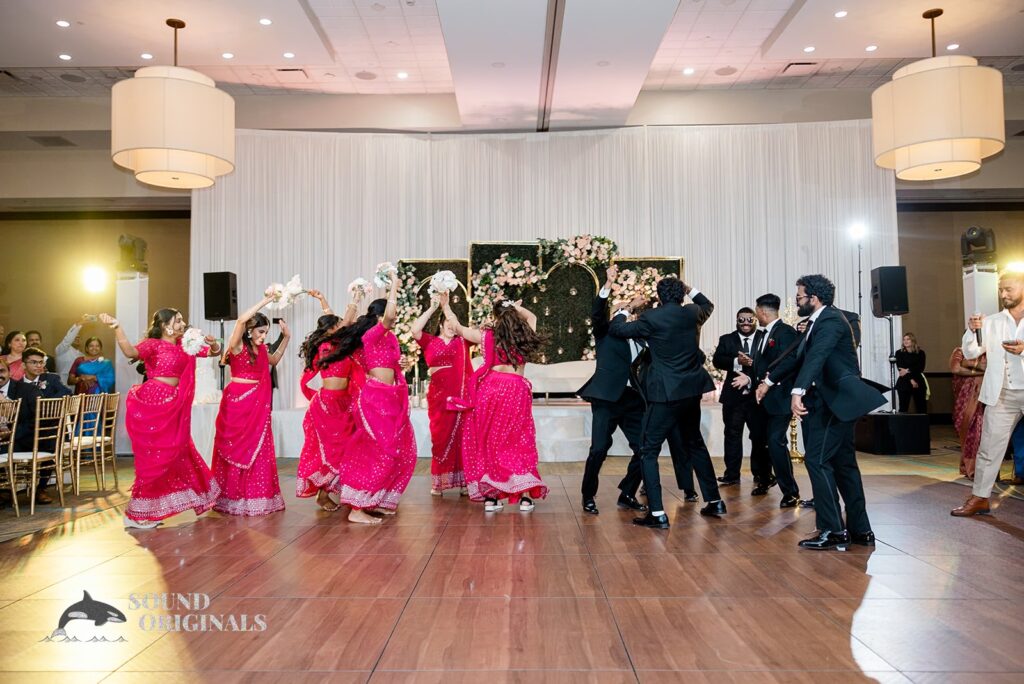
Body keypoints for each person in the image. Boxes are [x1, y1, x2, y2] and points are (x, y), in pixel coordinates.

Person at [768, 275, 885, 550]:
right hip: (834, 403)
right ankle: (861, 529)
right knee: (844, 465)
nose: (796, 301)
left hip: (834, 402)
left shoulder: (830, 320)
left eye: (799, 297)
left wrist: (797, 391)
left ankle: (833, 530)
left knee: (817, 461)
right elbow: (800, 357)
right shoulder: (818, 322)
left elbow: (818, 356)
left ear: (814, 298)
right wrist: (770, 380)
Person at [609, 277, 725, 528]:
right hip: (692, 391)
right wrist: (690, 289)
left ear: (660, 296)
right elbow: (708, 304)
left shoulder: (652, 317)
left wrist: (624, 309)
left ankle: (658, 513)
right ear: (681, 294)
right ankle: (715, 500)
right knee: (695, 443)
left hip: (665, 393)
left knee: (648, 449)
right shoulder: (693, 312)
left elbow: (618, 329)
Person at [99, 308, 222, 529]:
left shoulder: (184, 345)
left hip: (173, 405)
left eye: (182, 320)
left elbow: (213, 353)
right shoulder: (153, 344)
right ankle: (136, 514)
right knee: (156, 459)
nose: (183, 323)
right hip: (154, 403)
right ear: (165, 325)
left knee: (178, 452)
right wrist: (117, 327)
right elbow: (130, 352)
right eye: (178, 320)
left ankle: (154, 508)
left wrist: (213, 344)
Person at [444, 296, 548, 512]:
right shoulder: (524, 332)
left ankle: (492, 498)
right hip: (515, 390)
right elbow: (533, 316)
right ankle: (525, 497)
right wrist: (518, 307)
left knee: (490, 442)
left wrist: (446, 305)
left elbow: (458, 328)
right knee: (519, 440)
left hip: (490, 389)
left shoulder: (486, 335)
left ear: (494, 315)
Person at [334, 276, 417, 524]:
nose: (395, 318)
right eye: (391, 315)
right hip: (375, 399)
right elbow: (390, 317)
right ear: (380, 317)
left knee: (402, 450)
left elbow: (391, 364)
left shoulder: (391, 338)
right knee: (377, 451)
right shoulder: (371, 334)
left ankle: (376, 499)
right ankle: (357, 508)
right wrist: (394, 285)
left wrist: (400, 364)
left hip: (392, 398)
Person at [577, 264, 648, 515]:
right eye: (620, 309)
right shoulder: (605, 332)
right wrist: (608, 286)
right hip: (606, 397)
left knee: (644, 450)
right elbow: (598, 312)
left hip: (633, 400)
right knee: (598, 449)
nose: (626, 313)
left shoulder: (642, 338)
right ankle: (588, 495)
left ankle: (628, 493)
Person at [211, 295, 291, 517]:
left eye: (266, 332)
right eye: (260, 332)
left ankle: (254, 496)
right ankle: (232, 497)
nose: (264, 336)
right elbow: (239, 321)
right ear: (249, 331)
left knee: (258, 450)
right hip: (237, 404)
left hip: (257, 405)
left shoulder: (263, 350)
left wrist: (286, 337)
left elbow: (274, 360)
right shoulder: (236, 347)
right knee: (235, 448)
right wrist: (265, 302)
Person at [952, 270, 1024, 517]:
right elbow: (970, 353)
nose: (1003, 294)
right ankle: (980, 498)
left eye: (1009, 289)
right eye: (1001, 290)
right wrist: (972, 331)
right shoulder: (992, 321)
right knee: (989, 448)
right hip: (1001, 394)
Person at [296, 289, 362, 511]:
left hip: (344, 402)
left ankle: (344, 492)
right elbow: (345, 320)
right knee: (331, 451)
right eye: (337, 326)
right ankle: (323, 495)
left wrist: (324, 299)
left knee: (348, 449)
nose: (342, 327)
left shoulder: (341, 345)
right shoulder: (325, 344)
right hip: (327, 405)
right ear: (330, 330)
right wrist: (355, 299)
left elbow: (339, 321)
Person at [411, 290, 473, 496]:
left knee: (463, 438)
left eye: (453, 322)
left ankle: (465, 481)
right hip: (439, 397)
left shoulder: (462, 341)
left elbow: (459, 326)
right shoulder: (429, 341)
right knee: (441, 438)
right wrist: (433, 307)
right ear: (440, 324)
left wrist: (448, 308)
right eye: (446, 321)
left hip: (461, 397)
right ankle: (439, 482)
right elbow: (414, 330)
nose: (450, 325)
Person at [749, 293, 802, 507]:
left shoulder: (786, 332)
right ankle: (765, 478)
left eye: (756, 312)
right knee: (760, 440)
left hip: (780, 397)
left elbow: (789, 361)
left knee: (775, 442)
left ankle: (790, 491)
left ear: (761, 311)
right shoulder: (763, 334)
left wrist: (768, 382)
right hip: (764, 398)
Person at [713, 307, 771, 488]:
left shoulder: (764, 338)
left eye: (749, 320)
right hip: (734, 397)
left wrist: (753, 364)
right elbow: (717, 360)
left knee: (760, 437)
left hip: (757, 396)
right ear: (736, 320)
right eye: (741, 320)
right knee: (732, 435)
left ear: (755, 319)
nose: (745, 323)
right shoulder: (727, 339)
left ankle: (762, 474)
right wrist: (737, 362)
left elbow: (771, 362)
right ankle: (731, 474)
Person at [0, 357, 49, 505]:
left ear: (9, 372)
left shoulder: (28, 390)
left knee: (4, 448)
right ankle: (4, 491)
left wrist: (11, 434)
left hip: (25, 437)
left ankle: (39, 489)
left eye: (1, 371)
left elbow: (39, 420)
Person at [949, 347, 986, 480]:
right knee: (968, 433)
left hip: (984, 397)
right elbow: (955, 368)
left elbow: (990, 367)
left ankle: (982, 470)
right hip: (965, 399)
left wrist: (968, 367)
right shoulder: (959, 351)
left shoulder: (987, 353)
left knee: (982, 434)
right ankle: (969, 468)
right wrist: (980, 371)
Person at [895, 333, 927, 413]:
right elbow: (901, 369)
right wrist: (911, 380)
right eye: (904, 339)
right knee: (903, 408)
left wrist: (907, 370)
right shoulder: (899, 353)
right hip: (904, 382)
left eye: (908, 339)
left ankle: (920, 425)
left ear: (912, 341)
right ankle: (902, 425)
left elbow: (920, 368)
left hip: (918, 381)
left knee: (921, 407)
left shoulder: (920, 353)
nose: (905, 341)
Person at [55, 317, 89, 382]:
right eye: (75, 337)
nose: (77, 339)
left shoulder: (82, 355)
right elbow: (67, 340)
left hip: (78, 386)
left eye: (78, 337)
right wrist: (80, 323)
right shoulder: (61, 349)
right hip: (63, 384)